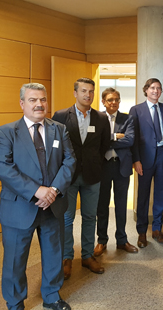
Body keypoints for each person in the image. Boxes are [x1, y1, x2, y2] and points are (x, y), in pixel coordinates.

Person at [0, 83, 76, 310]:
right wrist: (36, 191)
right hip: (19, 207)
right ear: (22, 103)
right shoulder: (6, 132)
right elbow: (4, 168)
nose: (39, 104)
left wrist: (54, 191)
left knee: (53, 253)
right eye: (32, 100)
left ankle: (51, 296)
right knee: (15, 260)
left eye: (43, 99)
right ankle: (15, 302)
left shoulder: (59, 129)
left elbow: (70, 161)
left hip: (53, 205)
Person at [52, 78, 110, 278]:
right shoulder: (60, 116)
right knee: (67, 218)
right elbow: (55, 146)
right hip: (68, 176)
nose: (88, 95)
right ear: (75, 93)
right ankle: (67, 257)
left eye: (91, 91)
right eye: (84, 91)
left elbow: (103, 146)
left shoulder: (101, 118)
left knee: (89, 216)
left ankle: (87, 256)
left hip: (93, 175)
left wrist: (95, 163)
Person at [130, 78, 163, 247]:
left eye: (158, 88)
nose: (156, 91)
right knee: (143, 195)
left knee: (160, 193)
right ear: (146, 90)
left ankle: (157, 229)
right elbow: (133, 138)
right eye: (152, 88)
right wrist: (136, 160)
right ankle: (142, 232)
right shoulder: (136, 110)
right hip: (145, 158)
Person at [94, 88, 138, 257]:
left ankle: (122, 240)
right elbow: (97, 142)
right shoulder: (97, 118)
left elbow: (129, 139)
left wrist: (109, 139)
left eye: (117, 99)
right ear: (103, 101)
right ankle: (102, 241)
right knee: (102, 205)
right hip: (102, 167)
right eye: (110, 99)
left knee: (121, 205)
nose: (114, 102)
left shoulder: (127, 118)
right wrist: (115, 137)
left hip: (121, 166)